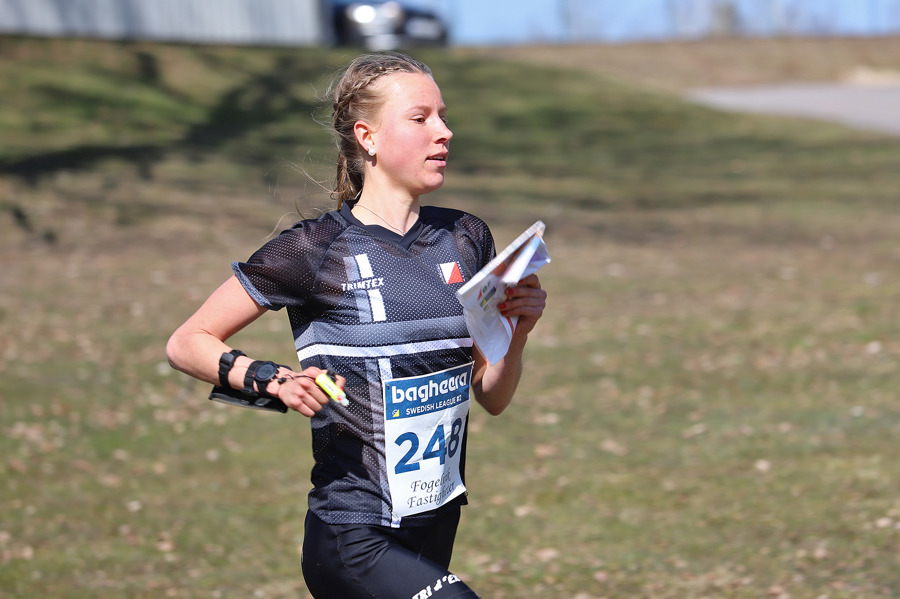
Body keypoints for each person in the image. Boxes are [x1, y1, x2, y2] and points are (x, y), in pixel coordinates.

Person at [166, 51, 547, 599]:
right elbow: (187, 342)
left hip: (433, 526)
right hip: (352, 535)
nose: (445, 131)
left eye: (442, 115)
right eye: (421, 119)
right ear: (367, 137)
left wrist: (517, 335)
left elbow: (492, 396)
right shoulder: (315, 249)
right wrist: (270, 378)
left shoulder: (466, 238)